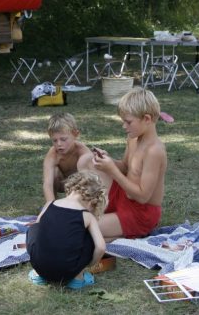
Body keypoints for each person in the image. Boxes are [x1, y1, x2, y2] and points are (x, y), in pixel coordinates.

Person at [78, 86, 166, 240]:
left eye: (128, 122)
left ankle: (120, 234)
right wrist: (108, 161)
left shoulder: (154, 151)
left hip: (140, 213)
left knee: (82, 226)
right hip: (123, 196)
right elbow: (125, 167)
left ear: (146, 119)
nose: (124, 126)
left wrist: (112, 171)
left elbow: (143, 197)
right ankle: (104, 218)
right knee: (86, 160)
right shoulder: (133, 138)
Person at [26, 171, 107, 289]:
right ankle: (78, 278)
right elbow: (101, 247)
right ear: (92, 202)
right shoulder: (86, 215)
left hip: (40, 266)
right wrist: (89, 265)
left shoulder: (50, 204)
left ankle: (37, 275)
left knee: (34, 228)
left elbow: (38, 227)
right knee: (89, 238)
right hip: (69, 271)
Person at [41, 112, 92, 203]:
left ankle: (78, 204)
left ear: (75, 134)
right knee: (54, 172)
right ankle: (54, 204)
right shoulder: (53, 154)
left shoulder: (82, 152)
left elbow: (90, 181)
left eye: (63, 139)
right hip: (63, 184)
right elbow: (47, 184)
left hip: (81, 185)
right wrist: (50, 206)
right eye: (54, 140)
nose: (59, 144)